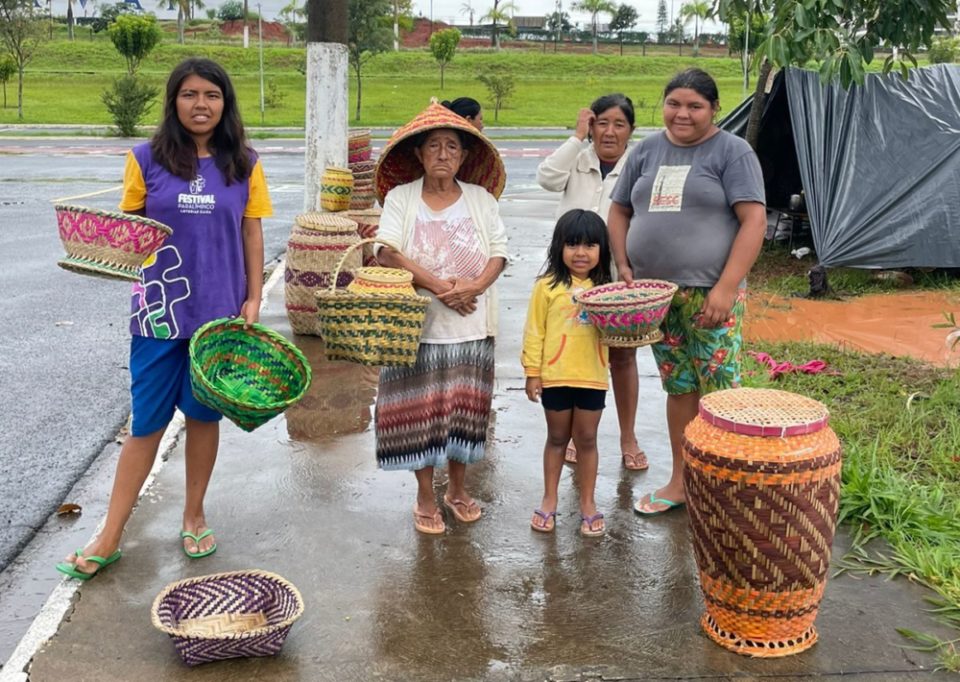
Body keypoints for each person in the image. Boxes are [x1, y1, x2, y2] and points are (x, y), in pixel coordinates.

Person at [56, 58, 273, 579]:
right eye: (190, 94)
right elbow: (127, 227)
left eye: (212, 95)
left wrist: (253, 296)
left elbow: (251, 232)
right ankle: (109, 535)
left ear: (226, 103)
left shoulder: (243, 162)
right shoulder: (146, 159)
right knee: (146, 422)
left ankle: (194, 513)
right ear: (174, 101)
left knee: (203, 417)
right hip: (156, 310)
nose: (202, 104)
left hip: (216, 315)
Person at [607, 68, 766, 515]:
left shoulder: (732, 152)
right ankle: (681, 482)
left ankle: (723, 488)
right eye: (674, 103)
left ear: (714, 109)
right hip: (658, 298)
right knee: (679, 389)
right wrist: (623, 263)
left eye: (695, 105)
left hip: (710, 294)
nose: (683, 114)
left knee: (719, 393)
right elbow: (618, 211)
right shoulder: (647, 151)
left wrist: (727, 288)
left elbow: (754, 221)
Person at [372, 100, 507, 535]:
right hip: (416, 330)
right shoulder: (401, 197)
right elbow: (386, 250)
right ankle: (426, 496)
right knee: (421, 418)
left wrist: (474, 287)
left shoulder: (482, 199)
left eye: (453, 146)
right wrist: (440, 287)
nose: (444, 154)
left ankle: (458, 490)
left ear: (466, 155)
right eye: (434, 146)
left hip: (471, 327)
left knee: (464, 416)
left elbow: (499, 253)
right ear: (418, 154)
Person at [536, 93, 648, 471]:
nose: (610, 132)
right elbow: (546, 178)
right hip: (572, 279)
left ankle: (627, 436)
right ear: (591, 126)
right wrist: (575, 138)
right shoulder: (578, 160)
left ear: (631, 130)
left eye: (619, 124)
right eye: (602, 123)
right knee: (574, 354)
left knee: (622, 356)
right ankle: (576, 438)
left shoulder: (640, 165)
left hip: (618, 277)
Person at [522, 209, 612, 537]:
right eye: (572, 244)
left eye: (590, 245)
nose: (580, 253)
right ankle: (549, 498)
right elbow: (535, 331)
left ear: (602, 249)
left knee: (587, 439)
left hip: (592, 377)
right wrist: (533, 372)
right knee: (557, 438)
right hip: (555, 376)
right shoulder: (546, 287)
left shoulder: (607, 290)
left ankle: (587, 502)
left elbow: (621, 333)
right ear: (559, 247)